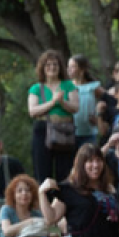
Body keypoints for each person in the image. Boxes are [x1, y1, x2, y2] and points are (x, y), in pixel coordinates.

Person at [27, 50, 79, 183]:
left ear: (60, 67)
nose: (52, 68)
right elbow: (33, 111)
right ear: (42, 68)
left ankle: (64, 201)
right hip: (43, 130)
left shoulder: (68, 85)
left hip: (64, 130)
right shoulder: (36, 88)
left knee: (65, 171)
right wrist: (53, 102)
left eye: (55, 64)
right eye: (48, 65)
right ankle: (45, 200)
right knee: (43, 171)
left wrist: (62, 102)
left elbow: (75, 107)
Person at [68, 55, 101, 148]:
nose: (69, 69)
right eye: (68, 66)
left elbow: (108, 102)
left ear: (82, 69)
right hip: (69, 133)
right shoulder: (66, 86)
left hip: (89, 133)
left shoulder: (93, 86)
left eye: (72, 66)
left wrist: (99, 118)